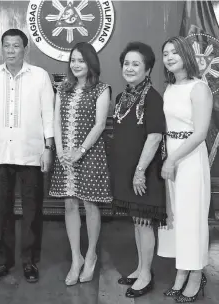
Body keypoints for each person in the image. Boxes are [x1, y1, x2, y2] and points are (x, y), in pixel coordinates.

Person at [0, 29, 54, 283]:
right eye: (6, 46)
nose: (11, 50)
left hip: (31, 154)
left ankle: (30, 262)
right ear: (2, 48)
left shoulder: (40, 76)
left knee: (32, 211)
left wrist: (48, 148)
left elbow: (48, 116)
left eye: (16, 46)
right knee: (1, 211)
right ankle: (3, 260)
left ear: (25, 49)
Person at [49, 42, 112, 286]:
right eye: (73, 60)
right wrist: (62, 150)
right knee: (70, 205)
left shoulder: (101, 89)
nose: (76, 64)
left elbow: (99, 125)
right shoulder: (62, 89)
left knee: (90, 205)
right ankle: (76, 258)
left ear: (91, 63)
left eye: (81, 60)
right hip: (65, 155)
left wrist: (80, 151)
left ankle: (91, 255)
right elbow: (55, 121)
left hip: (91, 154)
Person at [158, 36, 212, 303]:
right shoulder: (170, 88)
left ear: (186, 55)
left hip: (189, 157)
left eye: (174, 52)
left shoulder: (199, 87)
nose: (169, 57)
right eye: (165, 53)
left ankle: (196, 272)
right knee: (177, 217)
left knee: (192, 217)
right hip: (172, 153)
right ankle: (182, 269)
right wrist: (167, 157)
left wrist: (173, 159)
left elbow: (200, 133)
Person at [110, 42, 167, 298]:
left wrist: (139, 171)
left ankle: (146, 275)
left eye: (136, 64)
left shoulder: (153, 97)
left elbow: (154, 137)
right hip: (127, 171)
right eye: (126, 63)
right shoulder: (122, 97)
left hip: (143, 174)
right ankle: (140, 267)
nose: (130, 68)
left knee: (144, 222)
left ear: (148, 69)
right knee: (136, 222)